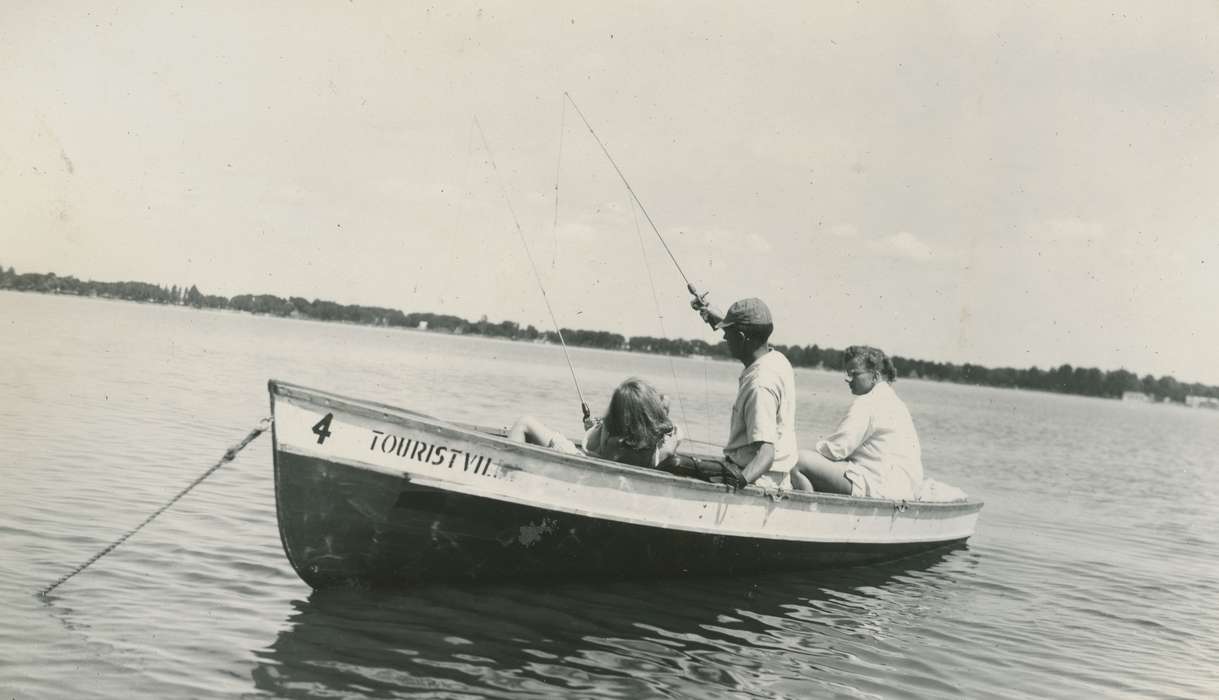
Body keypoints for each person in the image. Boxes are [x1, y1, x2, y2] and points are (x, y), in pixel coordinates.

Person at [690, 293, 799, 490]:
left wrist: (732, 486)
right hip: (775, 476)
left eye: (727, 333)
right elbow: (746, 335)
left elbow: (766, 454)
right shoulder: (777, 359)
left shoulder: (760, 385)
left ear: (741, 337)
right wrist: (713, 316)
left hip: (759, 479)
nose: (724, 337)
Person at [791, 345, 923, 499]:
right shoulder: (896, 402)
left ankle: (809, 513)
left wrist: (796, 450)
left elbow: (837, 449)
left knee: (796, 461)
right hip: (902, 487)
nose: (849, 380)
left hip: (878, 484)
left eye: (854, 374)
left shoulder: (868, 402)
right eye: (847, 374)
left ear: (875, 376)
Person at [507, 377, 682, 469]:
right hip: (612, 476)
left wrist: (597, 428)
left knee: (525, 422)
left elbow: (590, 448)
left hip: (584, 467)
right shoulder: (662, 446)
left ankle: (508, 471)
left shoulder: (611, 434)